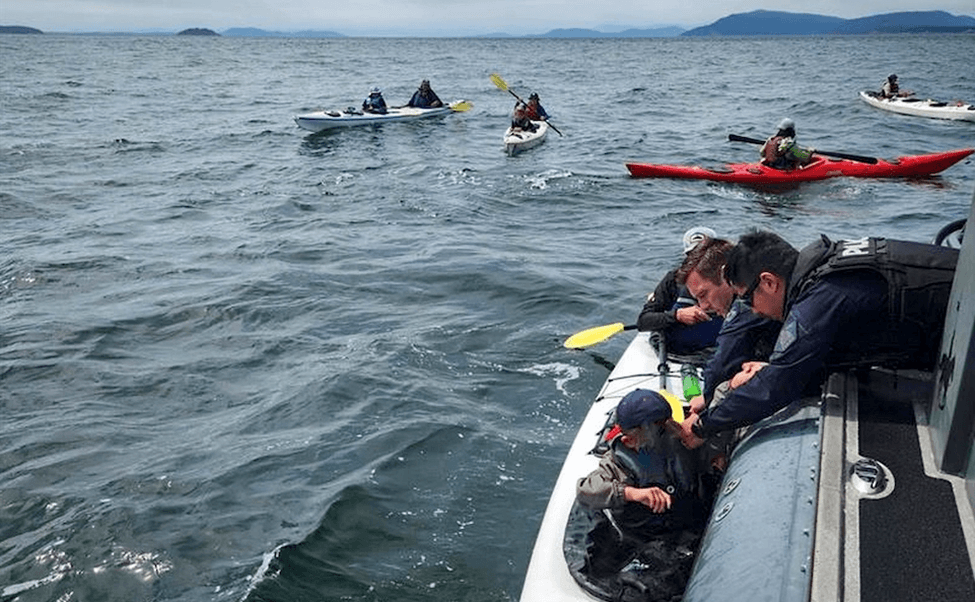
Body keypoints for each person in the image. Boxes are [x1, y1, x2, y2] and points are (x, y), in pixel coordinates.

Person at [679, 230, 958, 450]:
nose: (751, 310)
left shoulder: (820, 298)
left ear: (769, 282)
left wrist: (704, 426)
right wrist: (776, 366)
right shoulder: (825, 267)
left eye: (749, 299)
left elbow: (778, 387)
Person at [576, 389, 714, 580]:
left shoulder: (683, 442)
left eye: (663, 425)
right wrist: (632, 493)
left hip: (685, 523)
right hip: (642, 535)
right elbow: (586, 490)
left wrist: (718, 455)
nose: (626, 440)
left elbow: (711, 448)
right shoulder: (618, 461)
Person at [674, 236, 781, 414]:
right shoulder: (761, 281)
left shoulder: (748, 304)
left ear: (725, 276)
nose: (703, 306)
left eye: (703, 294)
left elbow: (722, 364)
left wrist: (705, 398)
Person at [637, 227, 724, 356]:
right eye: (693, 255)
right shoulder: (673, 280)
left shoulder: (728, 282)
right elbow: (644, 321)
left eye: (704, 256)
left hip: (717, 351)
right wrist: (677, 315)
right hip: (678, 352)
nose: (698, 262)